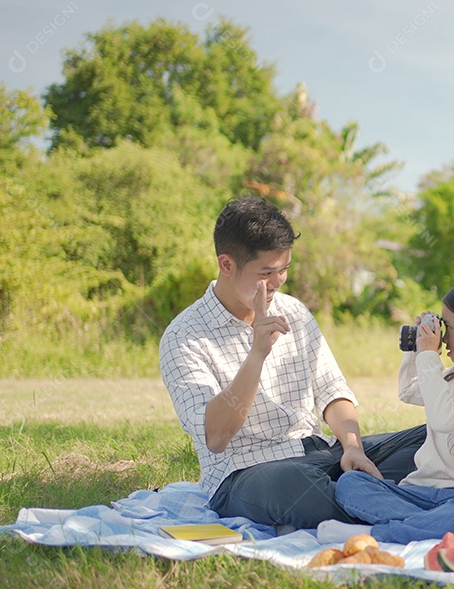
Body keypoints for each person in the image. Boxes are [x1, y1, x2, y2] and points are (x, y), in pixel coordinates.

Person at [159, 195, 425, 531]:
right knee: (296, 487)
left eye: (284, 269)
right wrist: (257, 353)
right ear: (227, 265)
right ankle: (407, 503)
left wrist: (353, 448)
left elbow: (331, 391)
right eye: (266, 272)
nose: (278, 281)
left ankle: (362, 496)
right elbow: (216, 436)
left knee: (439, 438)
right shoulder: (184, 335)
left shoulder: (294, 311)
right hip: (245, 473)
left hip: (321, 455)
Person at [318, 277, 454, 545]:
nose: (442, 335)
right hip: (418, 491)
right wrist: (416, 350)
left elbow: (444, 417)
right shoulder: (453, 375)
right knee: (351, 485)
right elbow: (408, 391)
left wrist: (429, 355)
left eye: (448, 327)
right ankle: (447, 526)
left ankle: (378, 533)